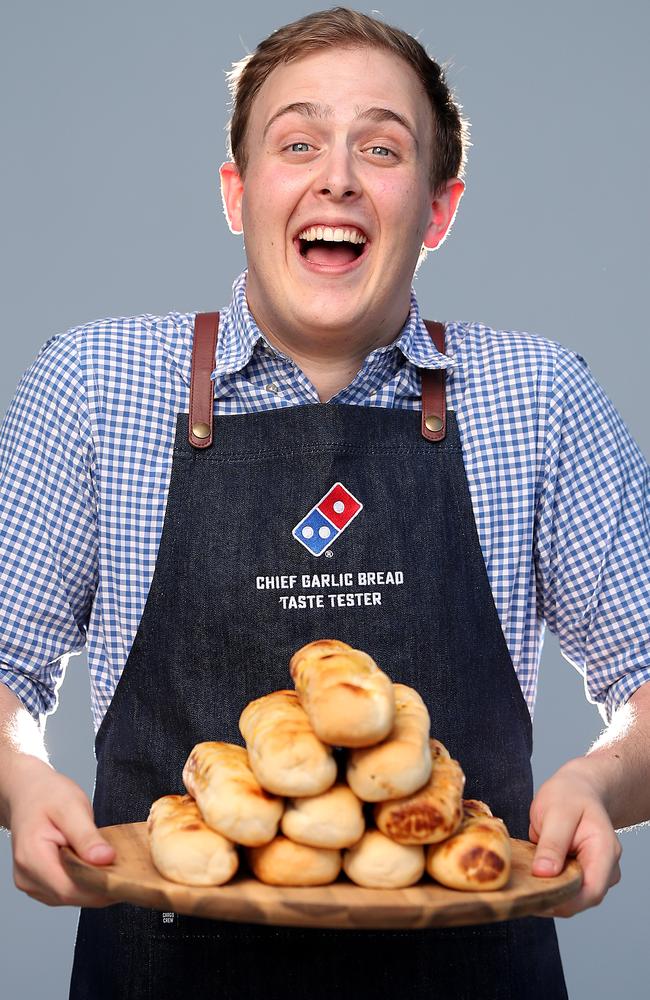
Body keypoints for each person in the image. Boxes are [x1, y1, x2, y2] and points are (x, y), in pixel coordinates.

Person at [0, 6, 648, 999]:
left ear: (437, 208)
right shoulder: (97, 384)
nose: (334, 175)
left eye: (379, 148)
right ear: (237, 191)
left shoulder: (540, 396)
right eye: (295, 141)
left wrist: (597, 781)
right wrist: (21, 777)